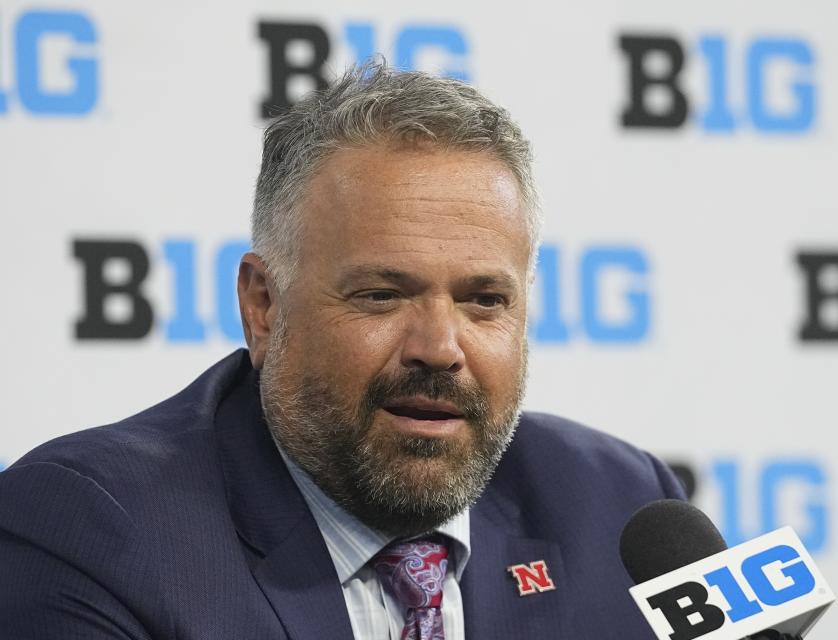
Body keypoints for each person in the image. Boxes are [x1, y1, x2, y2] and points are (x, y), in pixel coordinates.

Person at [0, 63, 684, 639]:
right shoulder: (92, 530)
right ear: (263, 305)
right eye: (382, 294)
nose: (440, 348)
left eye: (484, 300)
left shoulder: (620, 507)